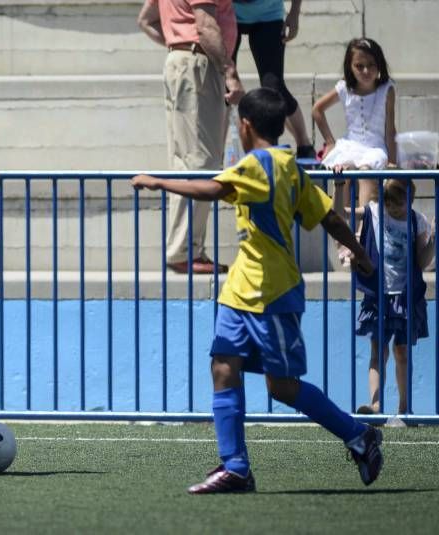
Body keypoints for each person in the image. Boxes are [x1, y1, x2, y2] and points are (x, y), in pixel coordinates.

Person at [131, 87, 383, 493]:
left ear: (244, 126)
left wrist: (158, 181)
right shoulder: (290, 166)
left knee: (281, 387)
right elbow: (329, 219)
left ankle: (359, 434)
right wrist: (362, 256)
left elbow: (213, 189)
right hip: (239, 290)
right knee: (223, 365)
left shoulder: (260, 164)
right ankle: (236, 467)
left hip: (272, 291)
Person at [137, 0, 244, 274]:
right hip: (199, 64)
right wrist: (230, 72)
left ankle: (184, 249)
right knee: (201, 162)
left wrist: (177, 48)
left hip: (183, 61)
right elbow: (206, 26)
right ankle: (185, 252)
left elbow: (146, 20)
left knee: (186, 162)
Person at [334, 179, 434, 416]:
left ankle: (404, 406)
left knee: (402, 352)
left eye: (399, 202)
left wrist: (433, 240)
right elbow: (338, 214)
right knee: (378, 351)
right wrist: (339, 186)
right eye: (388, 201)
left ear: (410, 198)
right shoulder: (374, 212)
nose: (393, 207)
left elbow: (422, 261)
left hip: (405, 296)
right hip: (378, 294)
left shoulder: (415, 220)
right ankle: (376, 404)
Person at [313, 37, 396, 209]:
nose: (366, 71)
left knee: (366, 172)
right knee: (342, 172)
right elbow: (317, 110)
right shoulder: (344, 88)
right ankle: (341, 231)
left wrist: (392, 161)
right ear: (350, 67)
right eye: (359, 66)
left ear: (379, 65)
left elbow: (390, 130)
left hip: (375, 147)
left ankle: (363, 229)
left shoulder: (386, 89)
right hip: (350, 145)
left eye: (372, 65)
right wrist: (329, 141)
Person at [231, 0, 315, 158]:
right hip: (230, 14)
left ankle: (304, 143)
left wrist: (294, 13)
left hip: (268, 15)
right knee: (225, 88)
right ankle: (218, 154)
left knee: (274, 86)